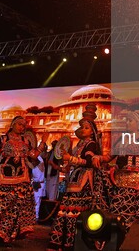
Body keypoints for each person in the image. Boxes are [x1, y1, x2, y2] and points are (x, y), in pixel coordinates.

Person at [48, 107, 104, 250]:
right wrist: (66, 161)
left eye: (86, 127)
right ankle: (63, 242)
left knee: (75, 213)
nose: (83, 129)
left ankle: (73, 244)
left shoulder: (91, 144)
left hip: (84, 182)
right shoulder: (79, 144)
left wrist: (71, 158)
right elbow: (72, 162)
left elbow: (90, 162)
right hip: (74, 179)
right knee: (66, 211)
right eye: (82, 127)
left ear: (92, 131)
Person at [32, 155, 45, 220]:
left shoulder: (40, 163)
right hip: (36, 184)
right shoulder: (34, 167)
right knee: (36, 201)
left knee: (36, 202)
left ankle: (36, 217)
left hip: (39, 185)